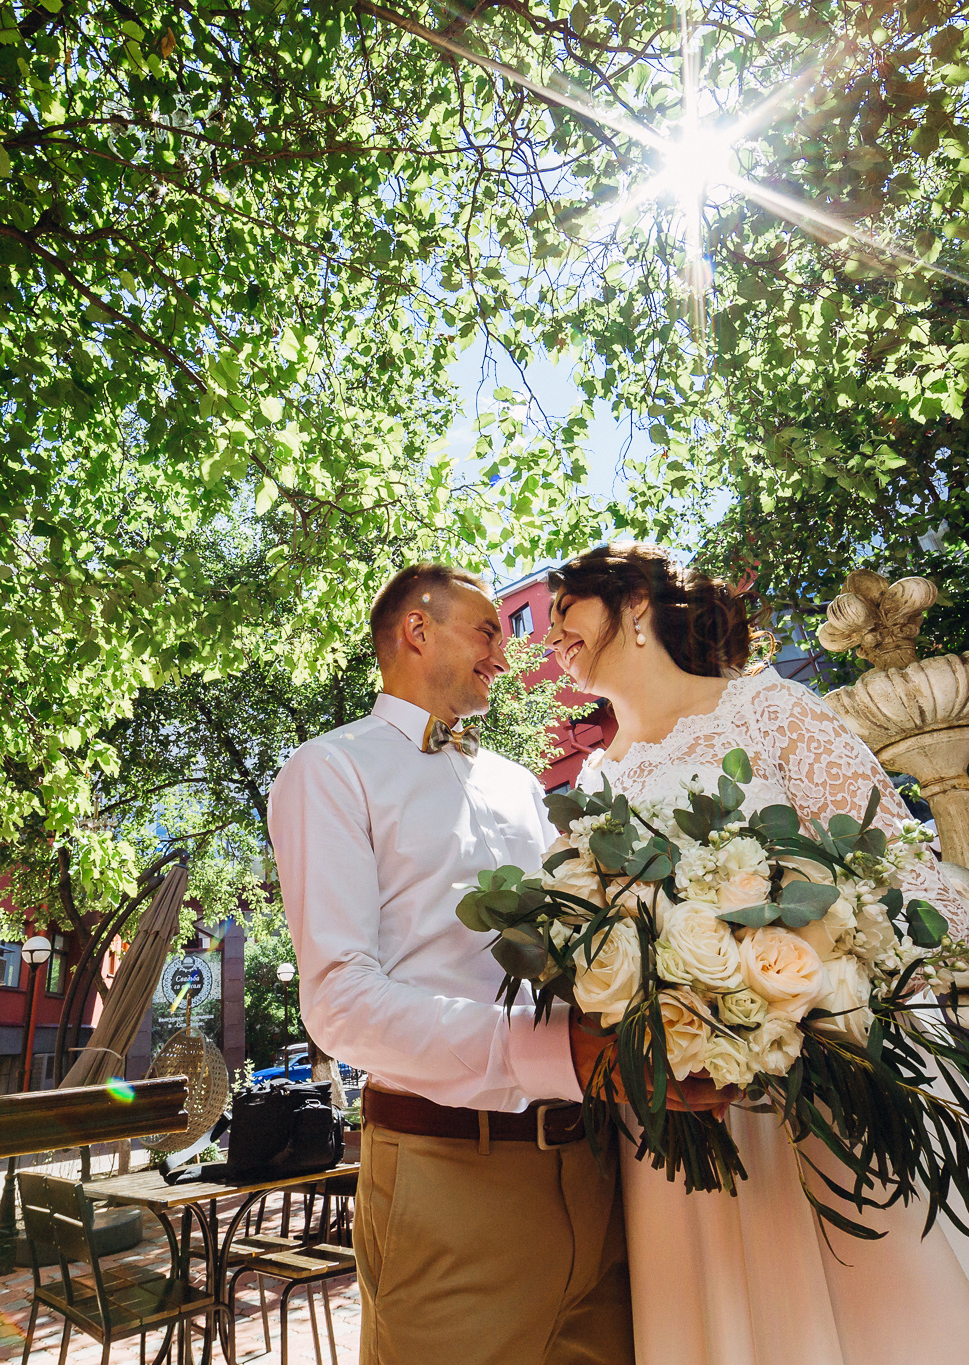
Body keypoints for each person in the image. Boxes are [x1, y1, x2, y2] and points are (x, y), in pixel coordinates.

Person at [542, 541, 969, 1365]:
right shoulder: (601, 782)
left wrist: (806, 989)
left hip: (841, 1077)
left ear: (634, 606)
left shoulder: (770, 711)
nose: (551, 635)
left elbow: (916, 885)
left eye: (564, 609)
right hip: (692, 1107)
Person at [267, 563, 646, 1365]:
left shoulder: (521, 785)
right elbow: (339, 1003)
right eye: (488, 632)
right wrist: (554, 1052)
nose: (502, 658)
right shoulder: (330, 770)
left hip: (598, 1173)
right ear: (416, 630)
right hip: (448, 1184)